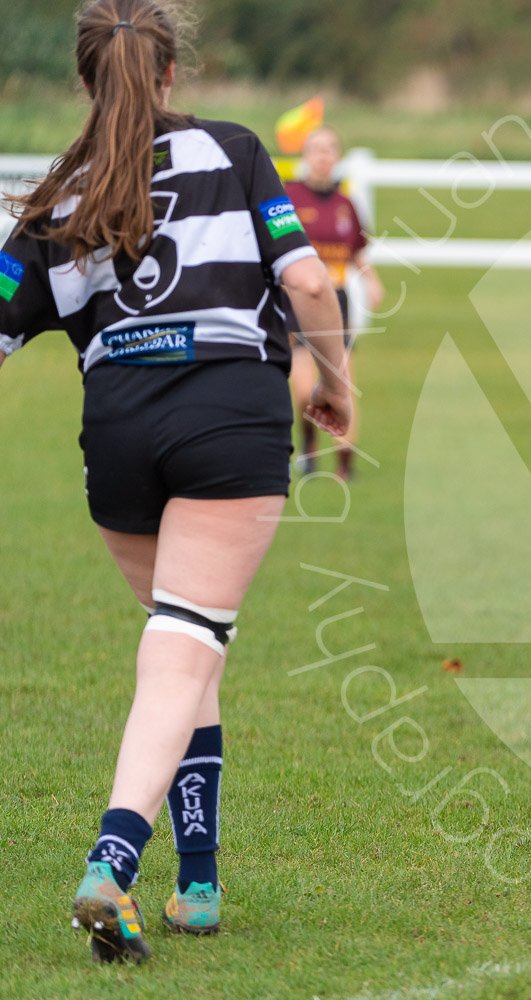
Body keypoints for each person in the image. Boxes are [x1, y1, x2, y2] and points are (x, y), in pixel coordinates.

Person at [0, 0, 350, 963]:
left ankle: (198, 884)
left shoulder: (52, 200)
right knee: (187, 642)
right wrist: (341, 387)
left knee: (184, 644)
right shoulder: (234, 151)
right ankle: (114, 862)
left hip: (116, 432)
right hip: (228, 418)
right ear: (168, 74)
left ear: (84, 81)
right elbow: (311, 285)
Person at [285, 125, 383, 480]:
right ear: (305, 155)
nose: (323, 156)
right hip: (295, 300)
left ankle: (345, 464)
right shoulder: (289, 196)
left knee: (343, 381)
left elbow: (358, 251)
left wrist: (371, 280)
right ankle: (309, 445)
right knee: (302, 387)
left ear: (337, 156)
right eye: (316, 149)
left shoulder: (345, 204)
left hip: (336, 300)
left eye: (329, 149)